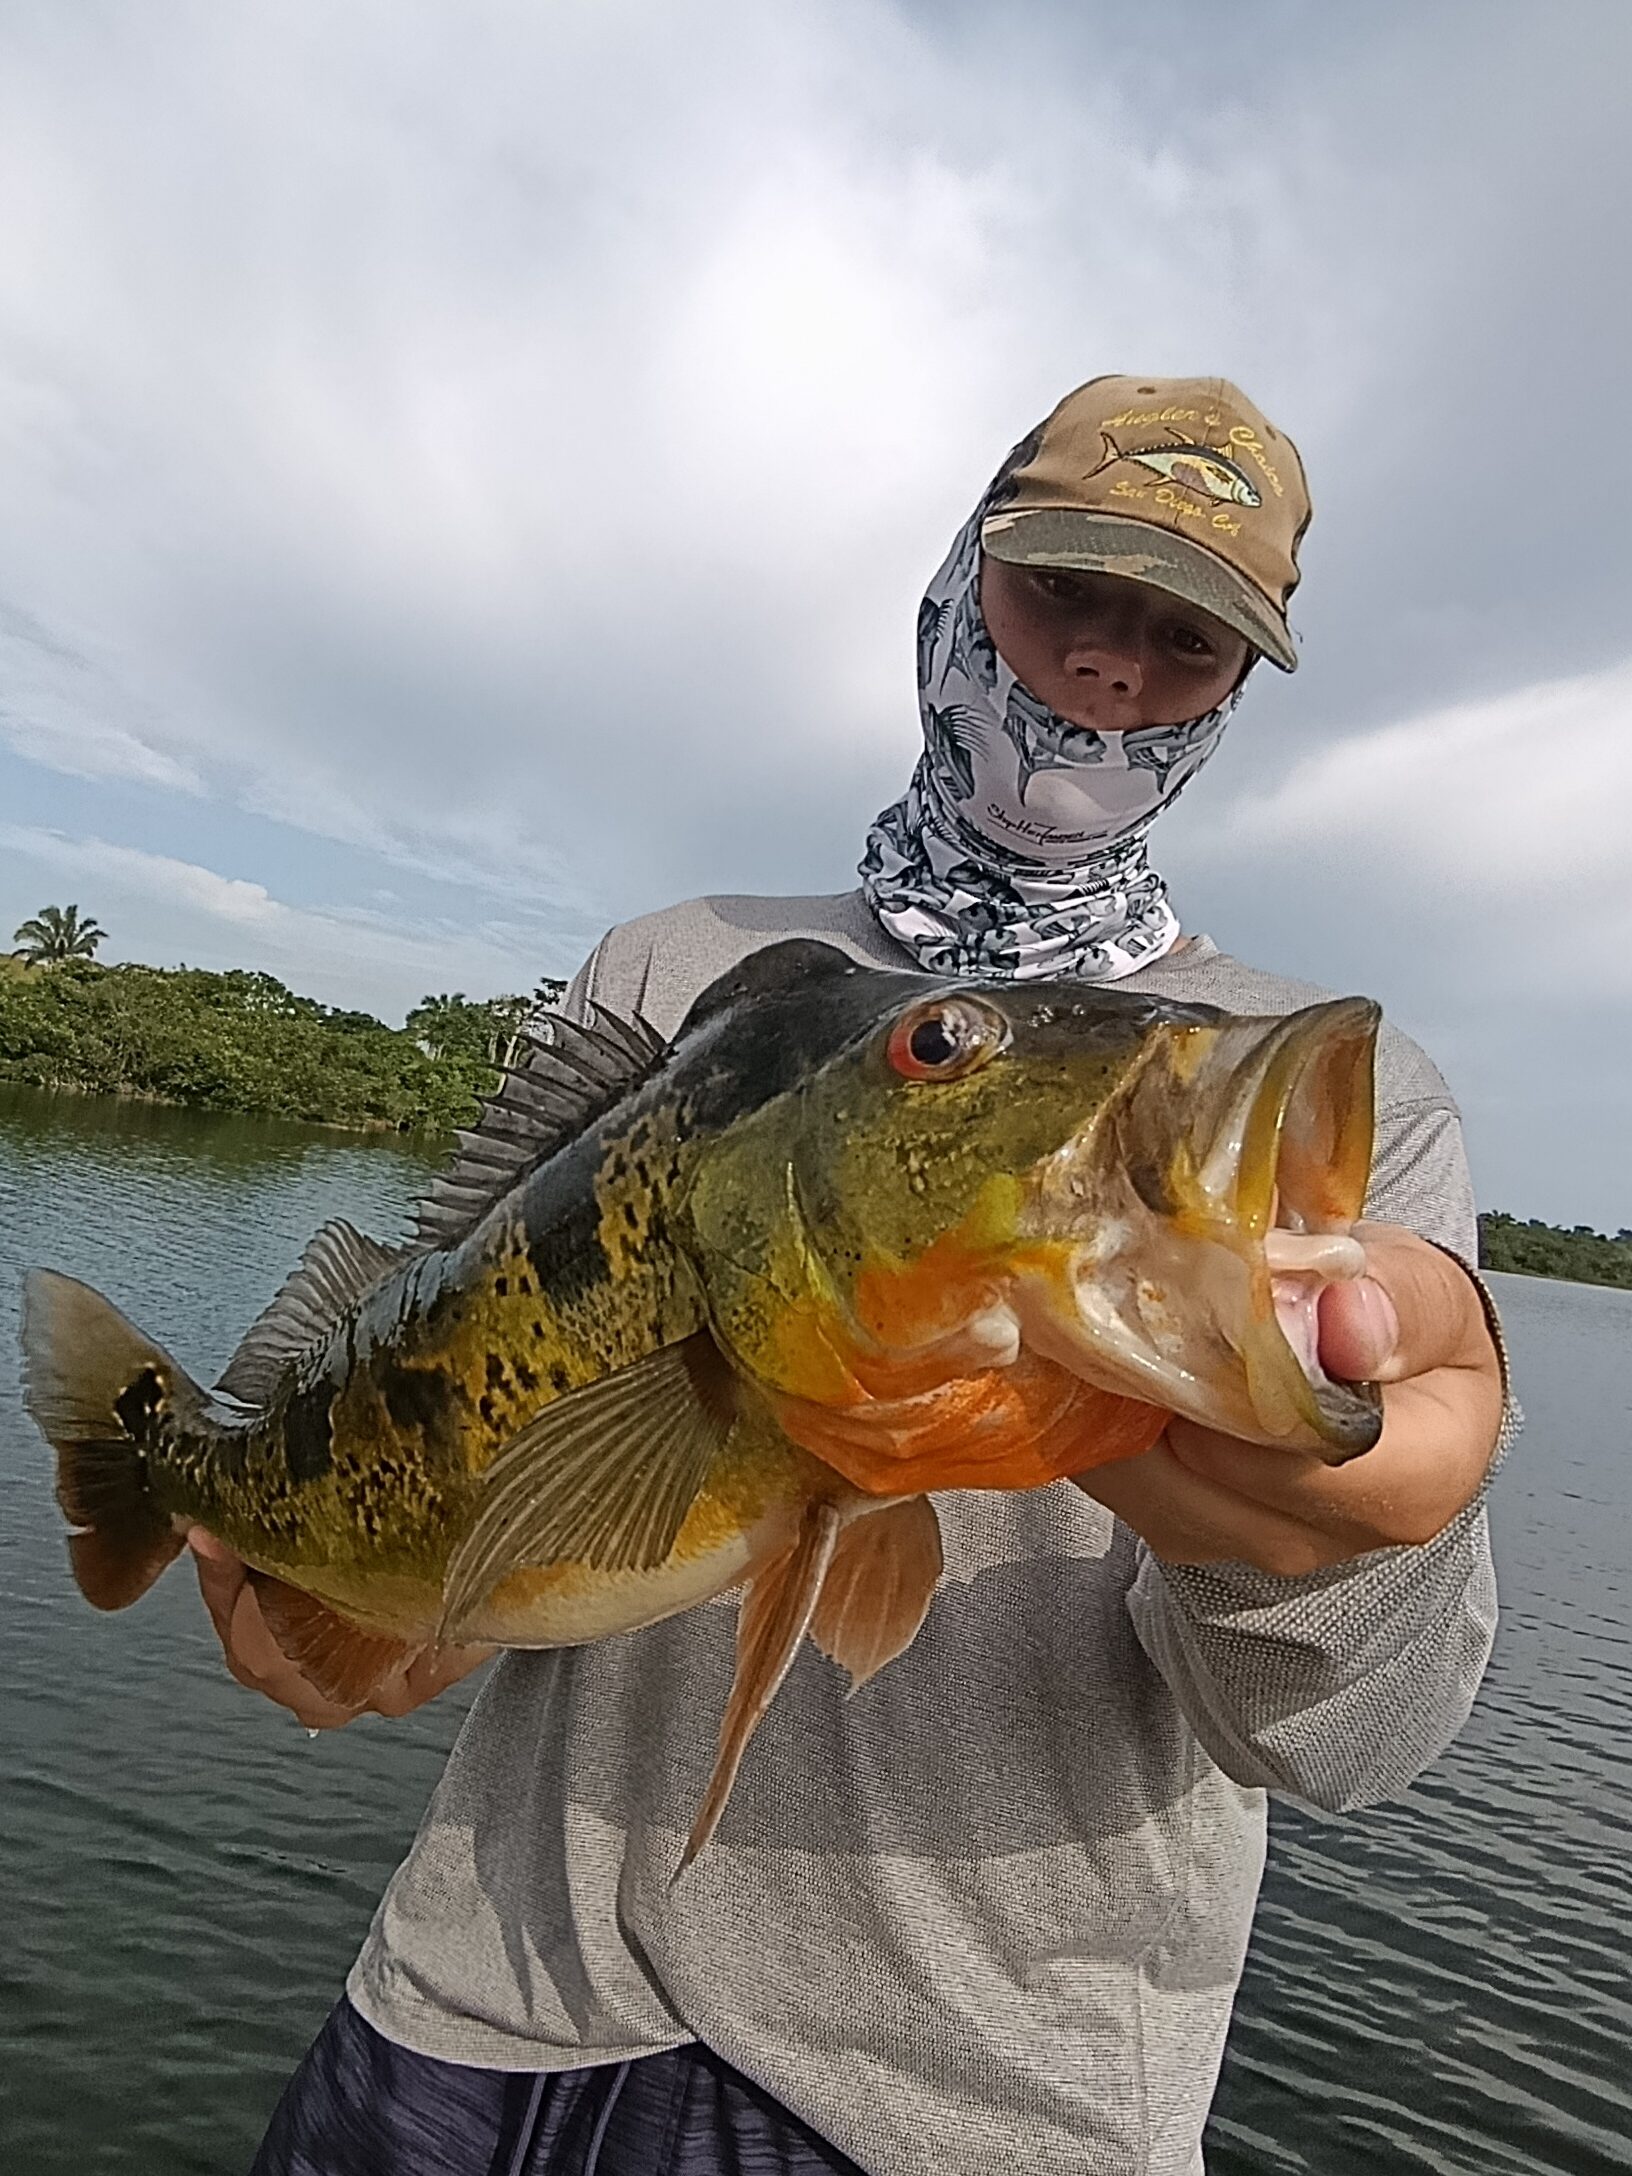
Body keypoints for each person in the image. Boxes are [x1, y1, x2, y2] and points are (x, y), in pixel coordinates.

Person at [196, 374, 1510, 2176]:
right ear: (961, 581)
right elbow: (479, 1396)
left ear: (1234, 694)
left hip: (978, 2113)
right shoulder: (674, 973)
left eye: (1186, 641)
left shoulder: (1312, 1107)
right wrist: (371, 1612)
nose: (1111, 668)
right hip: (481, 2003)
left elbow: (1357, 1747)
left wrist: (1332, 1546)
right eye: (1064, 594)